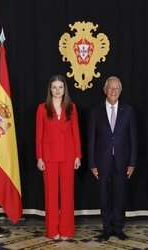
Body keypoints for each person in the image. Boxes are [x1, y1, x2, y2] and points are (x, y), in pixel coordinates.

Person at [88, 76, 138, 241]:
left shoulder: (128, 110)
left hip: (122, 162)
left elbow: (133, 138)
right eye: (111, 88)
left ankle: (118, 227)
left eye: (117, 88)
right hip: (102, 162)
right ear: (105, 90)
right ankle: (107, 229)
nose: (114, 91)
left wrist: (132, 162)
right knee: (104, 196)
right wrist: (92, 163)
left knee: (119, 195)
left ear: (121, 91)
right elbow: (91, 139)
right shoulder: (95, 111)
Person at [36, 74, 82, 240]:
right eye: (54, 87)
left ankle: (67, 230)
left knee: (67, 194)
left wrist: (78, 155)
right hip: (48, 157)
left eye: (60, 87)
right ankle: (52, 230)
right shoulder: (42, 108)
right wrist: (39, 157)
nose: (57, 90)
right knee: (51, 194)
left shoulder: (72, 107)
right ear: (50, 89)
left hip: (69, 156)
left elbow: (76, 132)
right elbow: (38, 135)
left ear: (64, 89)